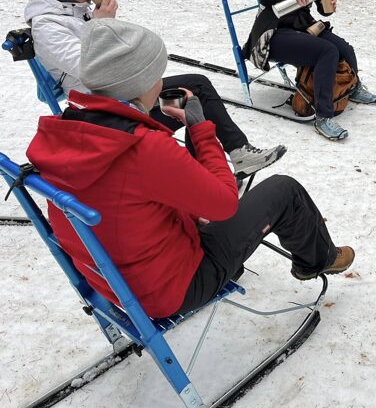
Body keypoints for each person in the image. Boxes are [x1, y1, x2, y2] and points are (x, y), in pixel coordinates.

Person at [26, 19, 355, 318]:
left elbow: (128, 188)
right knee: (284, 190)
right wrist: (199, 128)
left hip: (110, 280)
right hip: (169, 289)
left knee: (200, 206)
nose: (162, 80)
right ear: (143, 82)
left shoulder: (66, 129)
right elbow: (224, 205)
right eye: (157, 73)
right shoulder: (146, 148)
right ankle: (318, 259)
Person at [20, 0, 285, 177]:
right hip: (107, 112)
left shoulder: (74, 7)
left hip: (123, 93)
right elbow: (91, 70)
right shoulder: (47, 26)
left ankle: (233, 156)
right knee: (194, 98)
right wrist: (100, 26)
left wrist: (107, 26)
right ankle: (211, 170)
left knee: (196, 87)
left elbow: (114, 50)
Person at [242, 0, 376, 141]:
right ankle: (323, 117)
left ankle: (352, 88)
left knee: (344, 48)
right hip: (275, 32)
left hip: (304, 26)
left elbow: (323, 9)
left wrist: (330, 5)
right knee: (327, 52)